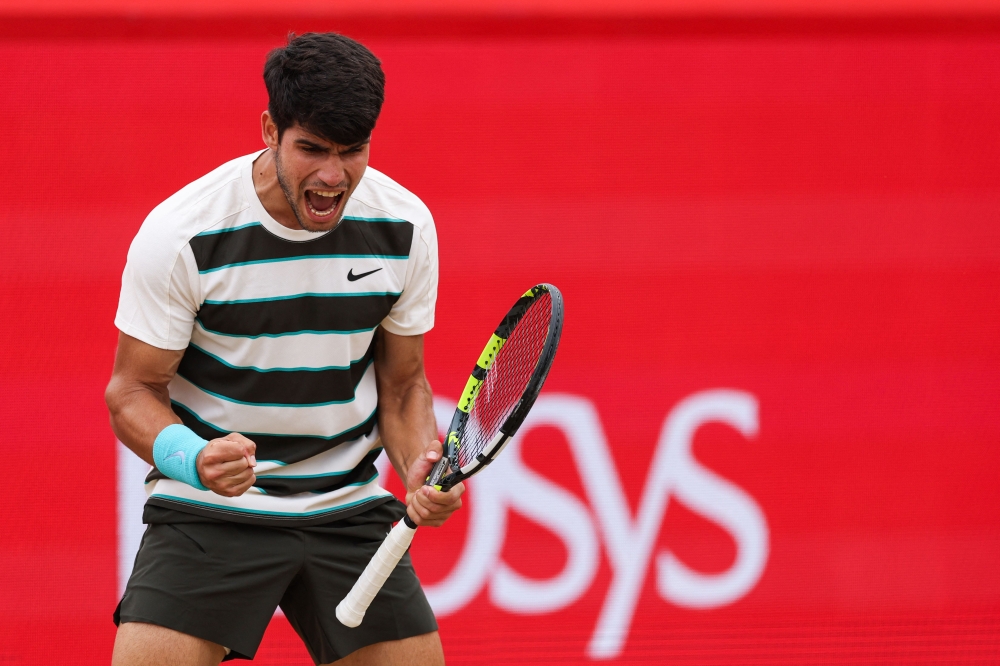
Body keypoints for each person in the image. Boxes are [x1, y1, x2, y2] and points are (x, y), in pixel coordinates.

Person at [105, 32, 463, 666]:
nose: (333, 176)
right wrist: (195, 458)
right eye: (312, 150)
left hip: (346, 506)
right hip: (210, 507)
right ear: (270, 130)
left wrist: (416, 465)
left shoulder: (406, 228)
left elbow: (404, 385)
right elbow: (131, 392)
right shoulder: (182, 235)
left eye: (353, 152)